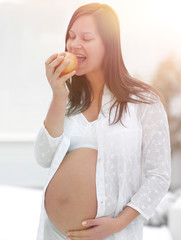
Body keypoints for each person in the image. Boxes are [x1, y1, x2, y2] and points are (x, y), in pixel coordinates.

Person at [34, 3, 171, 240]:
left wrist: (118, 224)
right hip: (53, 233)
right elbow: (43, 157)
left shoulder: (143, 101)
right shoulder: (66, 97)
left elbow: (158, 176)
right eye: (71, 36)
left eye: (86, 38)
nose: (74, 44)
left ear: (109, 45)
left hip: (110, 235)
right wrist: (58, 96)